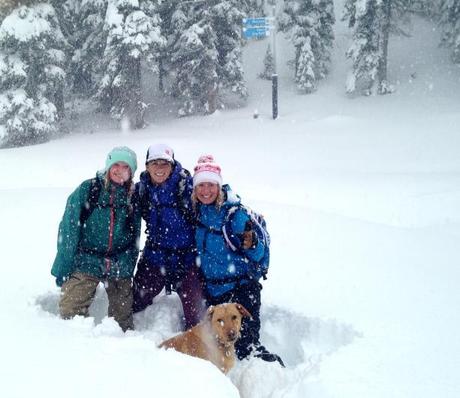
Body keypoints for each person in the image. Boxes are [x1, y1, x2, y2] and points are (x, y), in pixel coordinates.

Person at [192, 154, 284, 366]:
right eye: (201, 185)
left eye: (211, 185)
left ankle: (263, 370)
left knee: (245, 347)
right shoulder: (198, 212)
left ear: (219, 186)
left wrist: (252, 244)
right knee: (210, 342)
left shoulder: (234, 214)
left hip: (241, 289)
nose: (206, 191)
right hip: (213, 290)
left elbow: (258, 254)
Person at [51, 146, 141, 332]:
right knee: (69, 311)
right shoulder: (88, 189)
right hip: (87, 259)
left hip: (118, 261)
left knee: (123, 321)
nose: (119, 170)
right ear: (108, 166)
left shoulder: (133, 197)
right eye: (116, 164)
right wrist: (63, 268)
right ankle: (82, 344)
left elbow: (135, 238)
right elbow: (68, 230)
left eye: (126, 167)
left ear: (131, 172)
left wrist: (127, 268)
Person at [132, 144, 204, 329]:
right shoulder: (142, 190)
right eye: (154, 163)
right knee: (135, 302)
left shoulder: (186, 187)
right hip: (155, 258)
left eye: (164, 163)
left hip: (187, 259)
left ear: (172, 166)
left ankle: (193, 350)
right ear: (147, 166)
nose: (159, 168)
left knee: (196, 315)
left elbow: (211, 192)